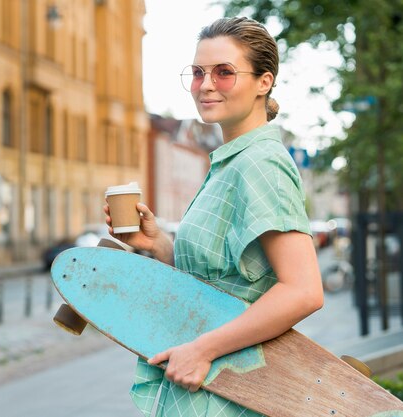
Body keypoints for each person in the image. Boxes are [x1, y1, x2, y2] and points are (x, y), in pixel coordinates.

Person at [104, 17, 324, 417]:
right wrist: (160, 245)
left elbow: (303, 290)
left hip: (233, 389)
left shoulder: (261, 164)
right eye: (198, 72)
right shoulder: (230, 163)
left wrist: (202, 350)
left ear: (263, 82)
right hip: (210, 382)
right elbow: (226, 281)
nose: (206, 85)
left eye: (224, 73)